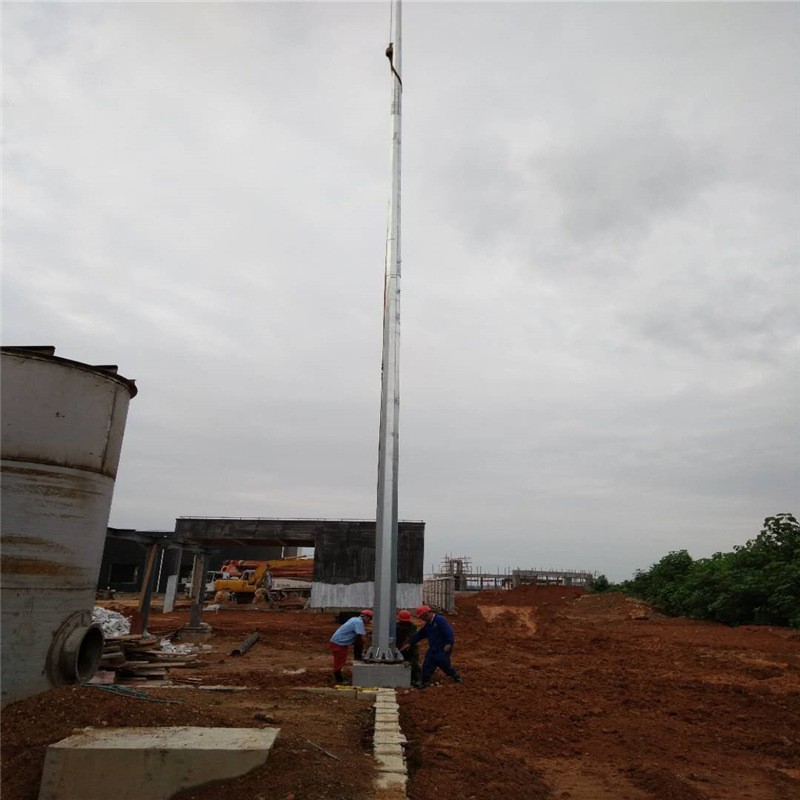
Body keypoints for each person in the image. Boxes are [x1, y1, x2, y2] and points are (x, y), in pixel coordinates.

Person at [402, 605, 462, 688]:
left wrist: (449, 643)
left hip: (443, 648)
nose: (422, 619)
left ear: (427, 614)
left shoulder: (440, 620)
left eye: (422, 617)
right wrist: (410, 643)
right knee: (427, 664)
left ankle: (456, 676)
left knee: (443, 664)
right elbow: (420, 634)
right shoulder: (428, 624)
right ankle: (425, 682)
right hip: (433, 648)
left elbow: (448, 631)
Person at [329, 609, 372, 684]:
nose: (369, 621)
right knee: (339, 660)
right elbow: (363, 637)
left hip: (339, 642)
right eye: (370, 618)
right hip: (339, 643)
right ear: (366, 616)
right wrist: (368, 648)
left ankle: (358, 656)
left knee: (341, 659)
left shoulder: (355, 619)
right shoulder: (359, 622)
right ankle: (339, 679)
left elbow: (360, 634)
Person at [395, 609, 421, 687]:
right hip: (399, 648)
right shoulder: (395, 626)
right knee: (399, 663)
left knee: (414, 663)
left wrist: (406, 645)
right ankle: (402, 679)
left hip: (411, 647)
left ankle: (418, 680)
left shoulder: (412, 626)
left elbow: (410, 637)